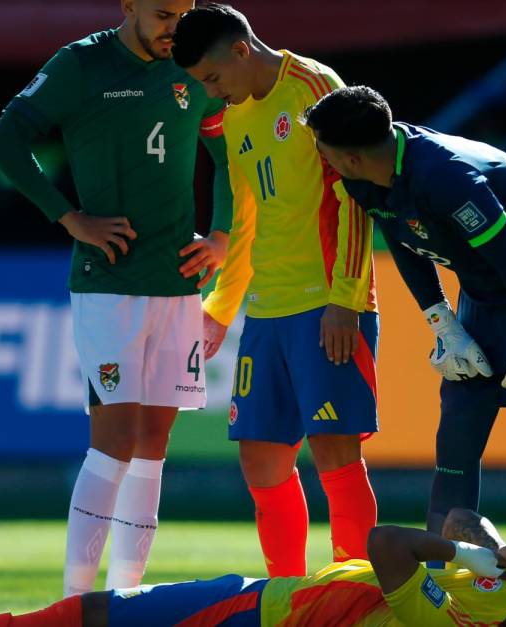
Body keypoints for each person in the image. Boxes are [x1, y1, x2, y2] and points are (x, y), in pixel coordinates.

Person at [303, 86, 506, 626]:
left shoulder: (446, 177)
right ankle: (453, 593)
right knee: (457, 434)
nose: (320, 159)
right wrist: (443, 325)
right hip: (485, 291)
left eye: (321, 149)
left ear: (347, 154)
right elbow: (406, 244)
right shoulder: (363, 174)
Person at [0, 0, 235, 597]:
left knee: (153, 447)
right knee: (115, 441)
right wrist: (70, 217)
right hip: (109, 284)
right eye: (163, 13)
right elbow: (6, 141)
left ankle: (125, 597)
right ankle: (75, 601)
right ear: (129, 5)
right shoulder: (81, 64)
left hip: (178, 284)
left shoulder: (193, 68)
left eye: (184, 11)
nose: (176, 25)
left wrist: (221, 233)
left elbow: (227, 157)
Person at [171, 4, 380, 576]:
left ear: (240, 50)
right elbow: (244, 221)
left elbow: (355, 196)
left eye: (212, 79)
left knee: (336, 454)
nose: (212, 92)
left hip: (326, 306)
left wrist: (345, 298)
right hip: (266, 314)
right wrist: (221, 307)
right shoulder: (235, 118)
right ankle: (287, 597)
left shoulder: (313, 88)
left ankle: (355, 597)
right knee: (260, 462)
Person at [0, 508, 506, 626]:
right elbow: (458, 520)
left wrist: (472, 558)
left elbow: (387, 541)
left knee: (105, 612)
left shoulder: (444, 619)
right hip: (263, 599)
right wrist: (495, 545)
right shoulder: (497, 590)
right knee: (106, 614)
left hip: (255, 617)